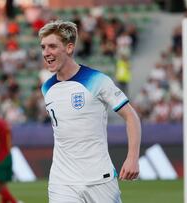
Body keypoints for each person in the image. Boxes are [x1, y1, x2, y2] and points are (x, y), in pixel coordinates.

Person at [39, 20, 141, 203]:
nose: (46, 52)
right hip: (61, 183)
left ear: (69, 48)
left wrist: (132, 158)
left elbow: (131, 116)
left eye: (52, 46)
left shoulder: (97, 80)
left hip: (99, 180)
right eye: (43, 47)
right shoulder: (47, 88)